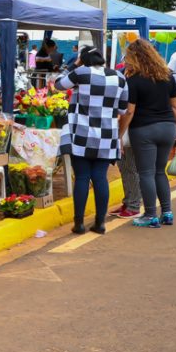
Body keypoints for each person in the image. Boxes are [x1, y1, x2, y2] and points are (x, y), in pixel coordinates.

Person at [55, 46, 127, 235]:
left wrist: (75, 64)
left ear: (85, 61)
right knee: (100, 178)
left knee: (82, 178)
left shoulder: (81, 72)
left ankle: (79, 224)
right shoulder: (119, 77)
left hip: (82, 134)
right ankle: (100, 223)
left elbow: (58, 84)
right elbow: (123, 110)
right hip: (106, 136)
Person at [119, 39, 176, 229]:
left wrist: (119, 135)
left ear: (136, 58)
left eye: (129, 58)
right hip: (168, 128)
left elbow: (130, 112)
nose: (127, 62)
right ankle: (167, 212)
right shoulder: (168, 77)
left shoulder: (134, 81)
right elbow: (175, 106)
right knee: (159, 172)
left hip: (144, 129)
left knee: (145, 173)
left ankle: (149, 215)